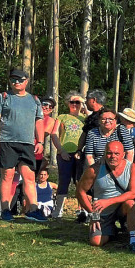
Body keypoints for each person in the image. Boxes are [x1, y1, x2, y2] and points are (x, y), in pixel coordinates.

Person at [0, 68, 47, 222]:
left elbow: (39, 121)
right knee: (7, 174)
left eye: (20, 80)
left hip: (27, 143)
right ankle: (5, 209)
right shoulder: (3, 97)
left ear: (26, 81)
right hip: (6, 142)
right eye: (13, 79)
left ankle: (33, 209)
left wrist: (40, 141)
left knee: (29, 176)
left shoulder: (34, 100)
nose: (16, 82)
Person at [76, 141, 135, 250]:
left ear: (123, 154)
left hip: (122, 208)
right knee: (96, 242)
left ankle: (134, 241)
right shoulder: (94, 169)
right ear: (104, 153)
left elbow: (134, 192)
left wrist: (109, 201)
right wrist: (93, 214)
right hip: (102, 212)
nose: (113, 157)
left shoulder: (132, 168)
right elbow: (80, 191)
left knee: (131, 202)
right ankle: (112, 230)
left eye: (116, 154)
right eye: (109, 153)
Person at [51, 91, 86, 219]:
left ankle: (83, 210)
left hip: (80, 153)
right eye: (72, 102)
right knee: (64, 181)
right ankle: (58, 210)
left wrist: (85, 106)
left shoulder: (85, 118)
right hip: (65, 153)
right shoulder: (62, 117)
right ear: (67, 103)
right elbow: (54, 134)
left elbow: (95, 121)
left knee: (81, 182)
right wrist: (61, 151)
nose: (75, 104)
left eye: (78, 102)